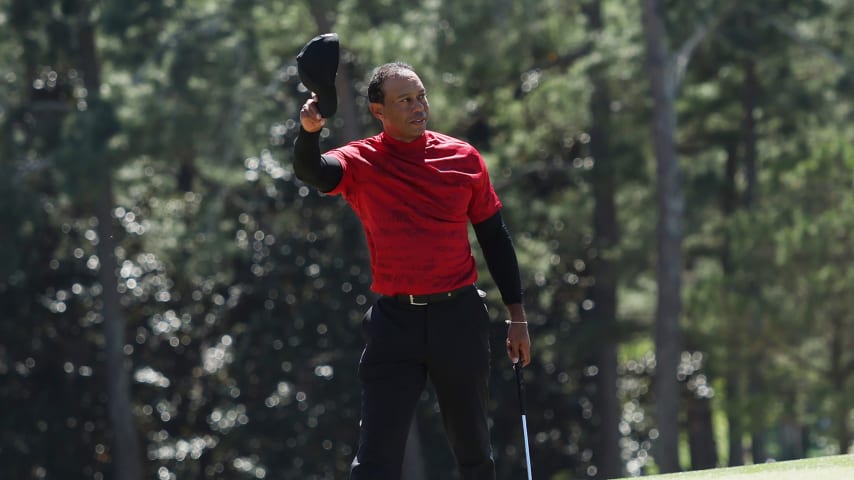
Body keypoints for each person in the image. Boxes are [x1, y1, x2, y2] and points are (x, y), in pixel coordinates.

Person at [294, 61, 531, 480]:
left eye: (421, 96)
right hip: (394, 323)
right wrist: (310, 133)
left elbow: (496, 238)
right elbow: (312, 172)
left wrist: (517, 316)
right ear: (378, 110)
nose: (419, 106)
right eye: (404, 100)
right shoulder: (360, 161)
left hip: (458, 317)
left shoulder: (464, 158)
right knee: (375, 459)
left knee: (474, 450)